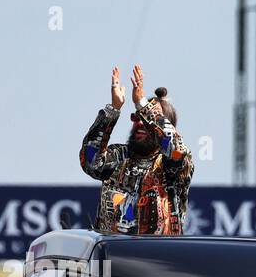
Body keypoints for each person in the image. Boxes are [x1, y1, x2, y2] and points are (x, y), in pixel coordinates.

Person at [80, 65, 193, 235]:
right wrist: (113, 109)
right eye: (136, 118)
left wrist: (143, 105)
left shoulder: (172, 166)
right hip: (112, 256)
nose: (140, 123)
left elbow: (178, 149)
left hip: (158, 258)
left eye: (145, 120)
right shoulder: (119, 156)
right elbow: (90, 161)